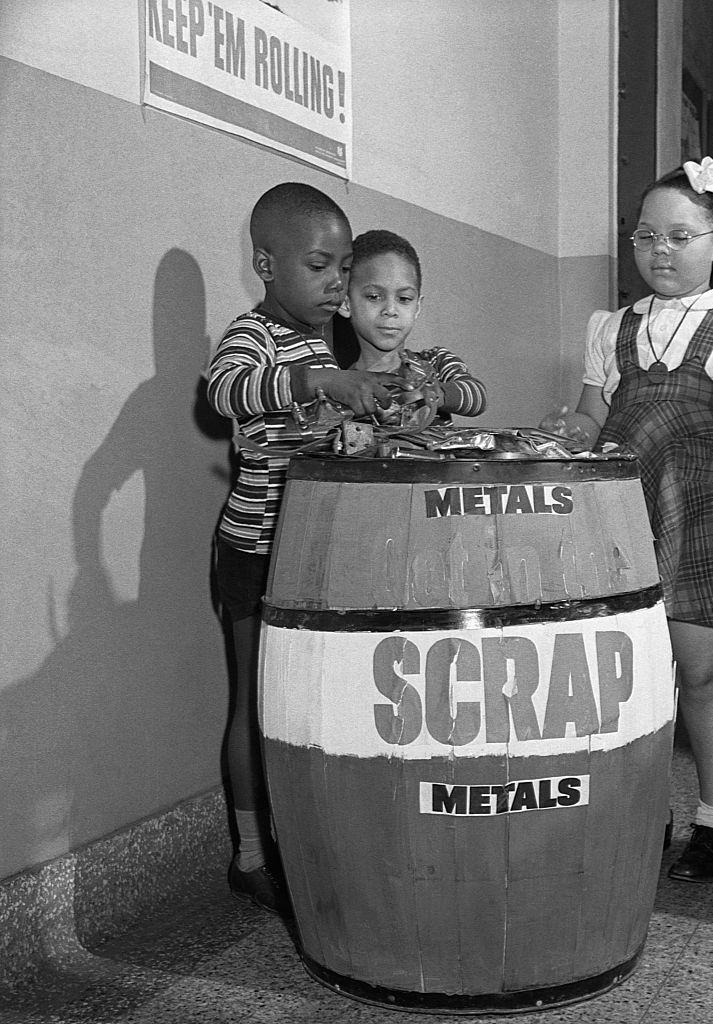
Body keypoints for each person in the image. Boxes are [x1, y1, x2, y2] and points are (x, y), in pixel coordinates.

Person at [543, 157, 713, 882]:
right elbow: (596, 414)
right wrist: (571, 431)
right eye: (646, 236)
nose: (661, 250)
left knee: (705, 674)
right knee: (635, 676)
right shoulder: (611, 326)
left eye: (681, 236)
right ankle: (643, 812)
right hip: (628, 512)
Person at [207, 182, 399, 916]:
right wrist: (319, 380)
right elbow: (227, 392)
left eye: (343, 265)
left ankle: (300, 841)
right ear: (265, 263)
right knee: (252, 704)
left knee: (301, 705)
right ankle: (250, 855)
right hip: (255, 552)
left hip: (310, 550)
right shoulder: (252, 334)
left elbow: (315, 432)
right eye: (320, 264)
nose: (336, 282)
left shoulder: (323, 339)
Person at [339, 229, 487, 423]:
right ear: (346, 303)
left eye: (404, 299)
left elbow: (477, 396)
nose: (391, 310)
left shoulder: (435, 362)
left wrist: (436, 393)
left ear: (417, 307)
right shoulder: (343, 386)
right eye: (374, 297)